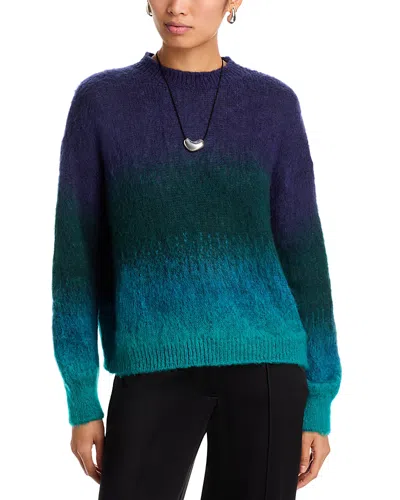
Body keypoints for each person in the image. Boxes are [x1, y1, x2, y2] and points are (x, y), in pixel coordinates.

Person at [51, 1, 342, 498]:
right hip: (150, 365)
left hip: (266, 367)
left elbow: (305, 258)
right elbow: (75, 261)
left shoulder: (273, 106)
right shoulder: (101, 102)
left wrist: (319, 399)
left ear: (234, 2)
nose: (177, 6)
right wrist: (81, 396)